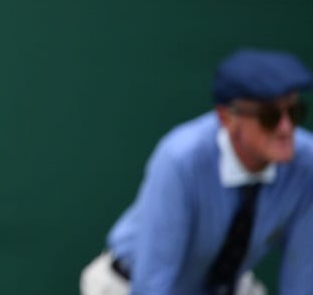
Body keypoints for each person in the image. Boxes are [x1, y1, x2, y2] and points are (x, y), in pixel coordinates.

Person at [80, 48, 313, 295]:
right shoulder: (181, 159)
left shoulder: (307, 164)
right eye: (270, 116)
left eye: (295, 112)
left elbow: (303, 275)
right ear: (227, 118)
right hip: (127, 285)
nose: (286, 128)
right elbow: (153, 282)